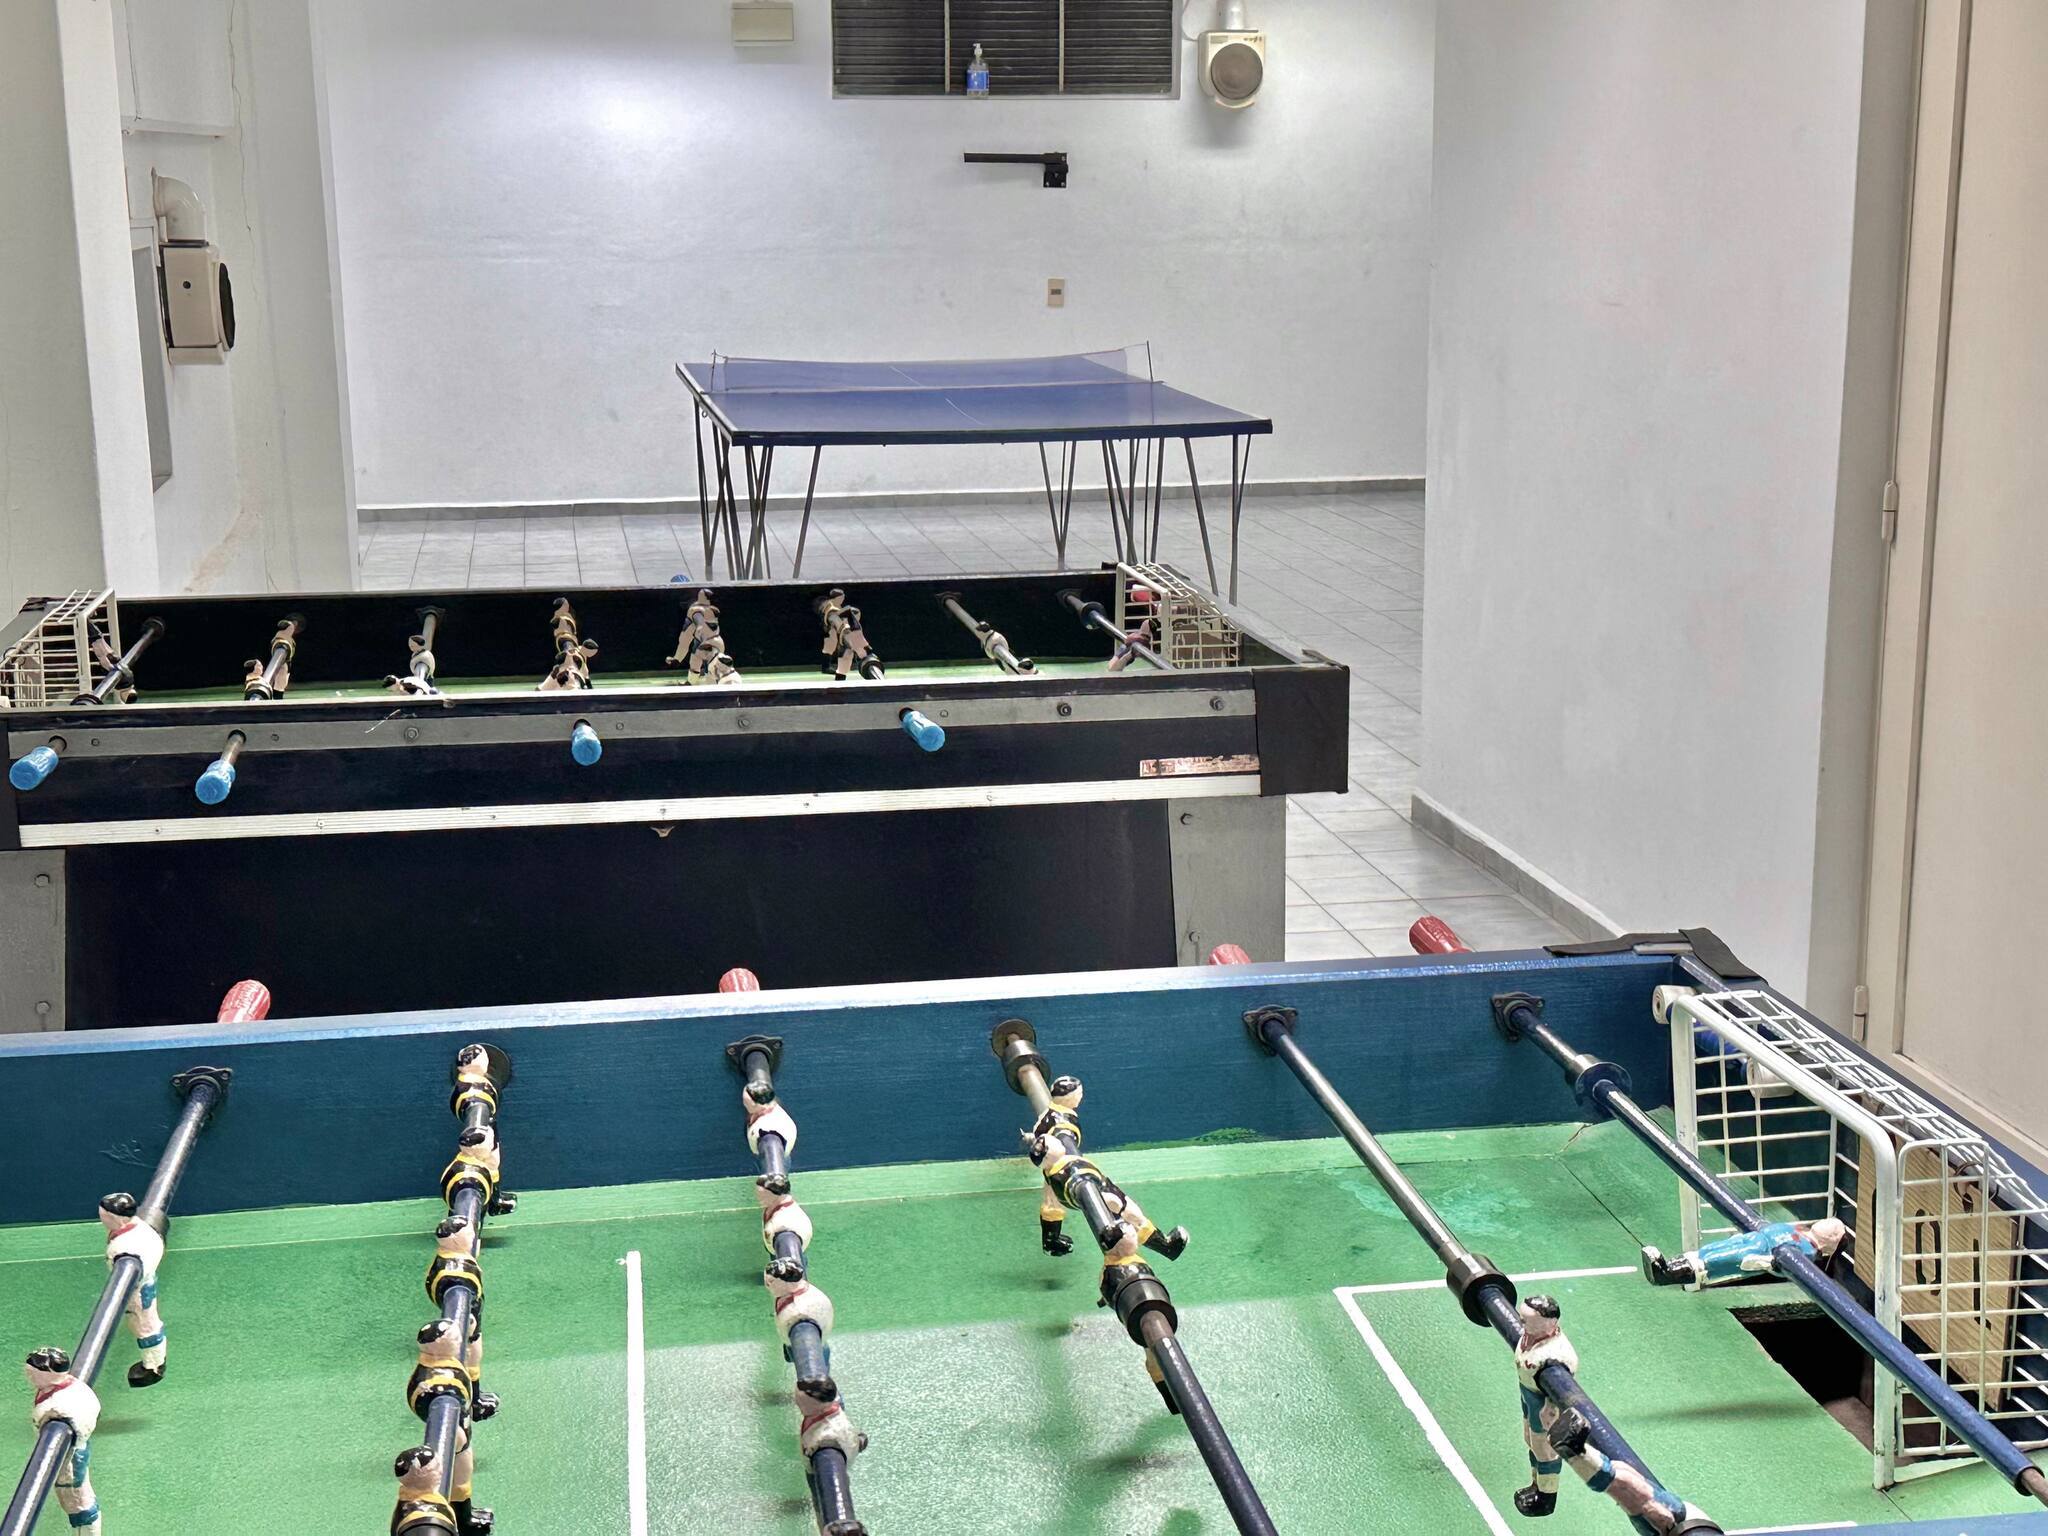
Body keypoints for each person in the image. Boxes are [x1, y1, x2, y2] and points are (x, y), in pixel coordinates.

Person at [1640, 1216, 1848, 1290]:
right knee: (1708, 1250)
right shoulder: (1799, 1231)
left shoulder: (1808, 1252)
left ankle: (1665, 1274)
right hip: (1755, 1238)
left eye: (1833, 1230)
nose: (1826, 1224)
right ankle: (1672, 1264)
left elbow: (1787, 1267)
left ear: (1831, 1242)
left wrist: (1771, 1263)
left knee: (1714, 1260)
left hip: (1757, 1251)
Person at [24, 1347, 101, 1535]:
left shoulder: (65, 1402)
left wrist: (60, 1419)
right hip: (65, 1455)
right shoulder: (53, 1387)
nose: (29, 1376)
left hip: (70, 1457)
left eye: (33, 1372)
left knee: (78, 1503)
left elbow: (87, 1419)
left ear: (49, 1374)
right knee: (72, 1502)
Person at [100, 1192, 169, 1386]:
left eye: (103, 1216)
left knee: (144, 1326)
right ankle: (154, 1363)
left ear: (114, 1218)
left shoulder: (127, 1247)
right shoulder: (139, 1227)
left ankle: (153, 1367)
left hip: (137, 1290)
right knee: (140, 1323)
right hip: (139, 1286)